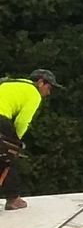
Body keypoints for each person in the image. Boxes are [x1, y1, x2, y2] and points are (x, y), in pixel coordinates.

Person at [0, 69, 62, 211]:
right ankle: (13, 199)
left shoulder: (11, 83)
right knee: (9, 155)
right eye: (49, 87)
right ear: (40, 82)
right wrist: (16, 143)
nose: (49, 92)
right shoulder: (34, 93)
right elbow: (22, 122)